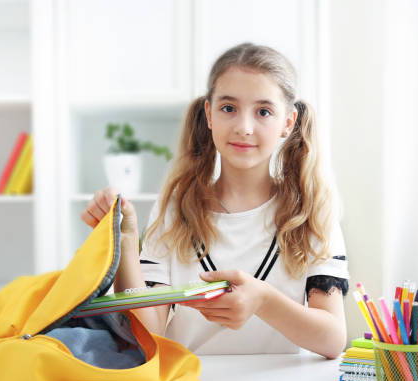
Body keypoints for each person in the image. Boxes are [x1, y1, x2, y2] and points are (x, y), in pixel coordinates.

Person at [81, 42, 349, 358]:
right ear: (209, 114)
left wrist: (263, 300)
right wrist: (125, 243)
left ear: (287, 123)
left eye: (263, 112)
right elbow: (146, 334)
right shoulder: (175, 209)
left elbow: (332, 340)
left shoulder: (311, 211)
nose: (244, 127)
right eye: (228, 108)